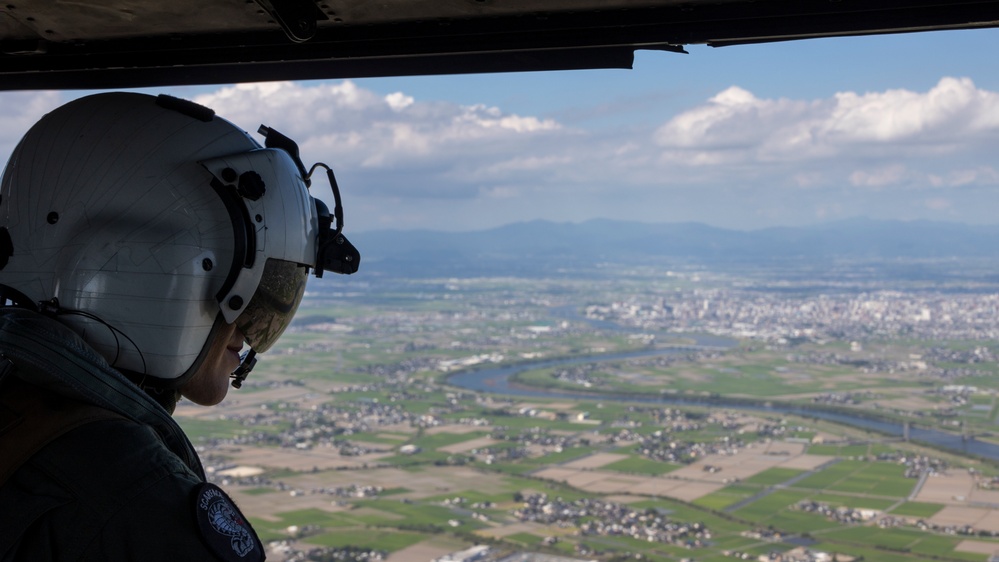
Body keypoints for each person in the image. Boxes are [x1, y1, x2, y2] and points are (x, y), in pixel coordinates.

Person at [0, 92, 359, 561]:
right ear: (157, 270)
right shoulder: (134, 502)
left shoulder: (18, 410)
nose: (247, 329)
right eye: (251, 296)